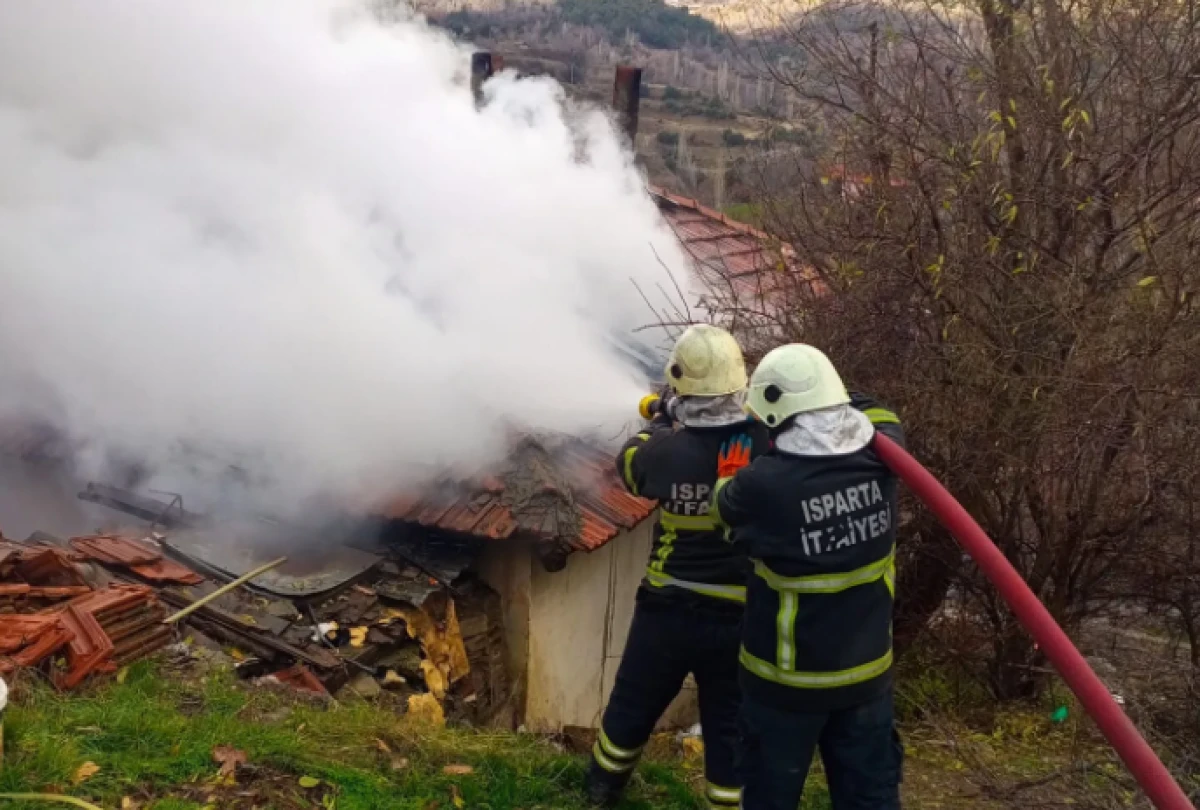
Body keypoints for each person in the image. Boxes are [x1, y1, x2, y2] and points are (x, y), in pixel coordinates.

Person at [711, 343, 906, 810]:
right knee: (870, 800)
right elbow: (874, 410)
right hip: (866, 679)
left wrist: (729, 470)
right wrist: (830, 392)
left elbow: (724, 509)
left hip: (784, 687)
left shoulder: (762, 485)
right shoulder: (888, 451)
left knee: (769, 798)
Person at [587, 324, 770, 810]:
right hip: (739, 616)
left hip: (666, 611)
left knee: (632, 706)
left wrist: (661, 419)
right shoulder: (762, 443)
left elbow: (630, 465)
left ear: (681, 388)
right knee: (728, 724)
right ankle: (725, 802)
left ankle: (602, 790)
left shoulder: (664, 451)